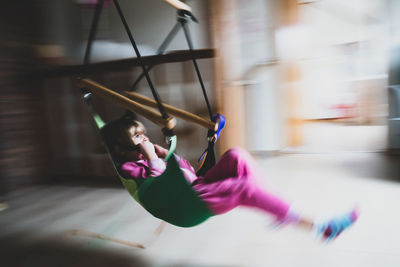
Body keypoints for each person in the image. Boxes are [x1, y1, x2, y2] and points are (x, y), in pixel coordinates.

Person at [103, 118, 359, 242]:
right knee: (243, 188)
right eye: (138, 138)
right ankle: (321, 226)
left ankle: (279, 210)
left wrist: (165, 155)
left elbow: (185, 172)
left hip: (195, 187)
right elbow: (156, 180)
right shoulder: (129, 166)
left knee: (237, 156)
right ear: (122, 148)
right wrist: (153, 157)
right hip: (188, 204)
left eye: (144, 135)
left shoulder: (148, 156)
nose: (145, 140)